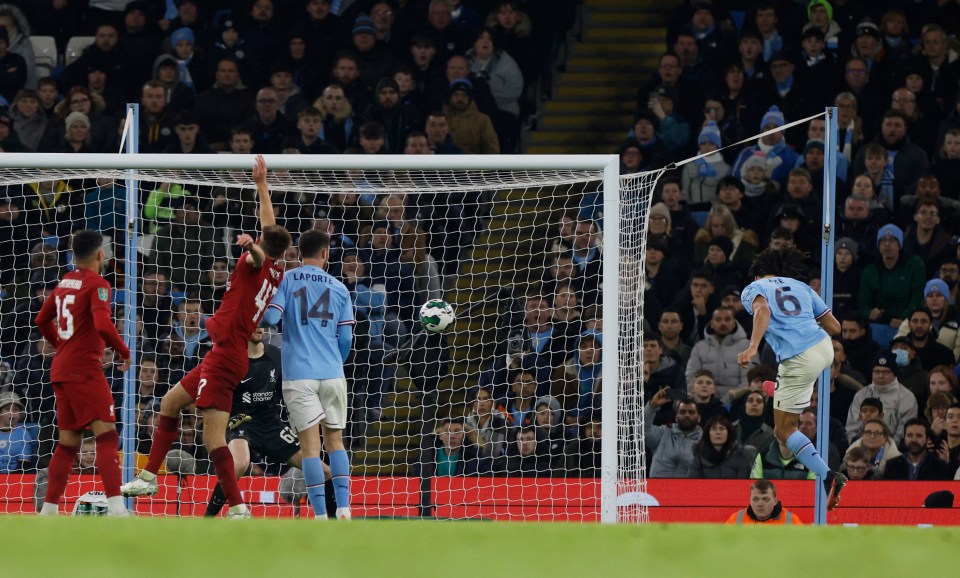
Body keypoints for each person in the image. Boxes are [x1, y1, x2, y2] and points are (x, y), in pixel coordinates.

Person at [122, 156, 292, 520]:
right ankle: (149, 475)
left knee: (212, 439)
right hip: (223, 352)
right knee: (169, 403)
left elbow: (258, 254)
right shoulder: (277, 267)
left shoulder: (257, 264)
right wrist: (262, 185)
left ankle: (238, 507)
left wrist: (249, 246)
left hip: (228, 355)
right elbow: (270, 228)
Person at [737, 246, 846, 509]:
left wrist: (753, 346)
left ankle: (828, 475)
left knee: (784, 430)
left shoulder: (753, 289)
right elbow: (835, 327)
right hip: (823, 348)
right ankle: (779, 389)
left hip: (798, 358)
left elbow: (762, 312)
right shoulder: (801, 286)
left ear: (757, 275)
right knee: (792, 385)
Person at [33, 229, 132, 516]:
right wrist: (124, 351)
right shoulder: (98, 284)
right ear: (101, 254)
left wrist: (62, 346)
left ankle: (48, 511)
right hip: (84, 370)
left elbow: (42, 319)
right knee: (107, 436)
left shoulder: (65, 281)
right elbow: (102, 325)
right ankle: (116, 508)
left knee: (68, 443)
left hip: (61, 370)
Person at [260, 229, 353, 520]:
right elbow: (347, 338)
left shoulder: (287, 280)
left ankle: (321, 515)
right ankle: (345, 508)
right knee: (335, 441)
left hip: (299, 374)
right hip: (332, 373)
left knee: (310, 446)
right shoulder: (339, 288)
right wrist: (335, 363)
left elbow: (272, 319)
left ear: (299, 253)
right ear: (325, 253)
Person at [204, 328, 334, 517]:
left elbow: (285, 393)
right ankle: (207, 518)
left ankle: (334, 521)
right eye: (255, 324)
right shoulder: (232, 360)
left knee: (324, 472)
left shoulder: (276, 354)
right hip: (240, 423)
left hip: (271, 426)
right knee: (239, 464)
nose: (260, 328)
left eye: (263, 324)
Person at [882, 418, 954, 480]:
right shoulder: (891, 465)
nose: (914, 440)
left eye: (919, 436)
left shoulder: (939, 466)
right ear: (904, 438)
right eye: (909, 435)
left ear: (927, 439)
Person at [725, 479, 803, 525]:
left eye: (765, 499)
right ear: (750, 500)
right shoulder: (736, 520)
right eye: (755, 499)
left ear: (775, 501)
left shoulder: (791, 521)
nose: (760, 504)